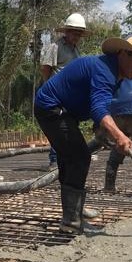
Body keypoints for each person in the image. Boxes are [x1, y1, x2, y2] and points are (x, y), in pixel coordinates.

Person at [35, 35, 132, 234]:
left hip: (64, 112)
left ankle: (74, 212)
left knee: (70, 158)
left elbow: (100, 104)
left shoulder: (115, 72)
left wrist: (104, 129)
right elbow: (98, 107)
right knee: (79, 157)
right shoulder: (105, 70)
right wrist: (120, 135)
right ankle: (71, 221)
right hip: (52, 109)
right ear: (123, 54)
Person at [40, 13, 89, 168]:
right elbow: (46, 68)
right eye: (75, 33)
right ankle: (54, 160)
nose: (77, 37)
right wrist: (50, 88)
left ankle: (65, 158)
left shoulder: (76, 51)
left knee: (69, 126)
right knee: (58, 126)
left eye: (79, 34)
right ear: (67, 32)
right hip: (57, 94)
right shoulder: (55, 47)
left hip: (71, 96)